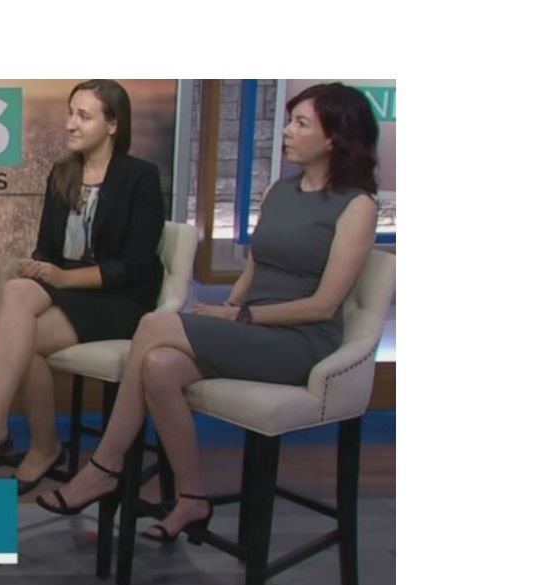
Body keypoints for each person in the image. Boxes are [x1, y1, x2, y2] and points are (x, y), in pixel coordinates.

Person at [36, 83, 380, 544]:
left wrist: (239, 319)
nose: (286, 131)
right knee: (159, 367)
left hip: (302, 341)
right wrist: (233, 305)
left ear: (334, 137)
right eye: (289, 121)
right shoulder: (280, 191)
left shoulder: (357, 206)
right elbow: (257, 267)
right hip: (252, 329)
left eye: (301, 123)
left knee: (154, 324)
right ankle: (192, 498)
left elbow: (324, 305)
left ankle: (105, 467)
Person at [0, 79, 165, 495]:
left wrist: (62, 278)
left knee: (20, 334)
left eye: (84, 116)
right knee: (17, 294)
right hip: (71, 289)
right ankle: (5, 433)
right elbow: (47, 248)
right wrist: (37, 267)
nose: (71, 124)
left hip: (120, 299)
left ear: (113, 125)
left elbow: (133, 265)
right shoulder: (62, 174)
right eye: (70, 113)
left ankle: (25, 442)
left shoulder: (140, 177)